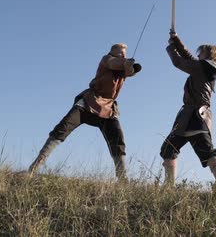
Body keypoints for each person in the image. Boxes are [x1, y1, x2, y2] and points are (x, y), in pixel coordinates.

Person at [28, 43, 141, 181]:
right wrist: (125, 63)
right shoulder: (107, 59)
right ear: (113, 53)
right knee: (62, 129)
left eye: (125, 54)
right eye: (121, 53)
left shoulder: (122, 68)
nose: (124, 56)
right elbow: (113, 64)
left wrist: (131, 67)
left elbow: (131, 72)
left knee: (117, 139)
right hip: (89, 102)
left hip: (108, 107)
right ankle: (34, 168)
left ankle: (123, 180)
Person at [160, 31, 216, 186]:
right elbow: (189, 58)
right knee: (168, 149)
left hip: (196, 116)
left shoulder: (204, 68)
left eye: (201, 54)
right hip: (188, 117)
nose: (198, 57)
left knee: (207, 151)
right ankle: (169, 186)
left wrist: (171, 48)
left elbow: (179, 62)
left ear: (208, 55)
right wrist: (176, 41)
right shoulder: (204, 68)